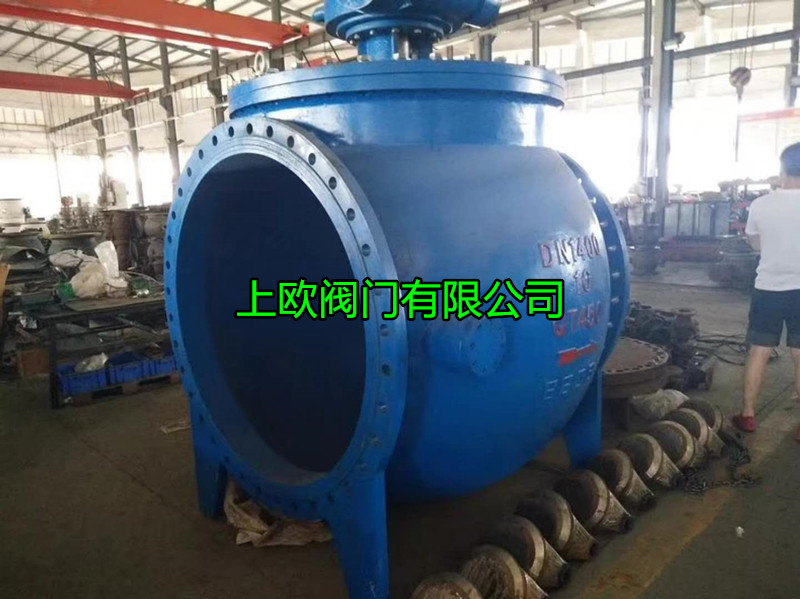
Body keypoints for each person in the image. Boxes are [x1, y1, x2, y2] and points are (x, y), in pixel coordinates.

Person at [734, 142, 800, 439]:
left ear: (782, 169)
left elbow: (755, 244)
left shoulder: (761, 205)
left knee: (759, 350)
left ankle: (748, 415)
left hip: (769, 288)